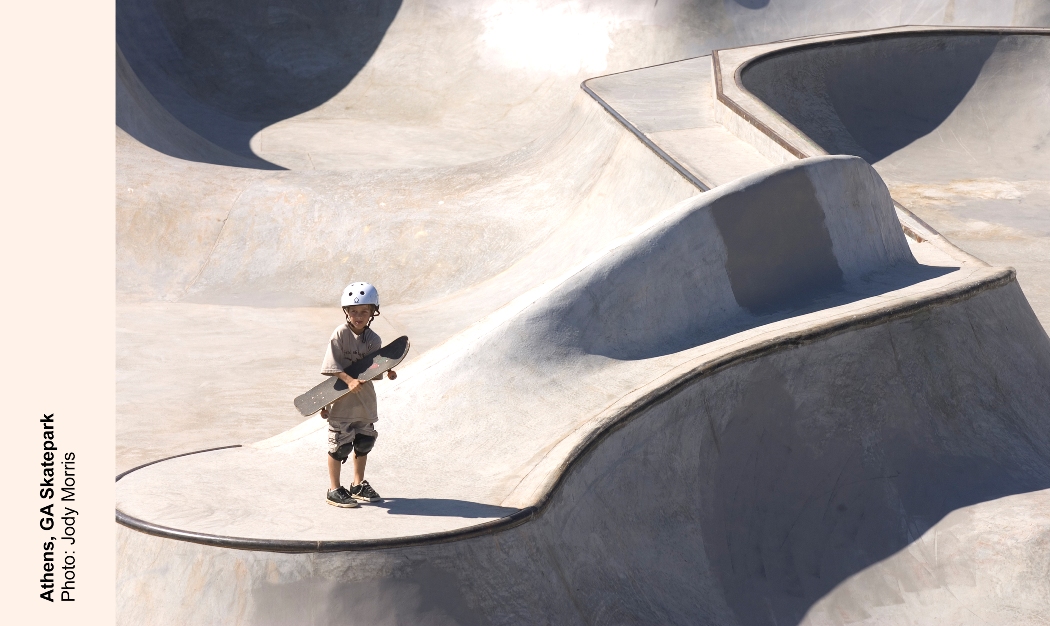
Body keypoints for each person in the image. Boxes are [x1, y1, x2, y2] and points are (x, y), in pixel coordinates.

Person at [320, 281, 397, 508]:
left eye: (364, 312)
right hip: (341, 401)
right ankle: (334, 489)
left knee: (364, 442)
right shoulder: (340, 334)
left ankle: (357, 484)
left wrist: (388, 369)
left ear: (373, 312)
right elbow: (331, 366)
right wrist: (349, 380)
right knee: (339, 446)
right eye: (354, 312)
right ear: (347, 312)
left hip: (365, 402)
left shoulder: (373, 340)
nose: (359, 316)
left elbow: (374, 366)